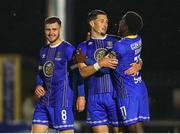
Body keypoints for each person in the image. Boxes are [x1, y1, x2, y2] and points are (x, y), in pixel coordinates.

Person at [75, 9, 142, 133]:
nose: (105, 24)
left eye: (107, 22)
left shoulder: (117, 41)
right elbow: (82, 72)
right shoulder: (82, 47)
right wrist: (81, 95)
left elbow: (134, 54)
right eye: (101, 21)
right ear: (91, 23)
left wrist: (139, 64)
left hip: (115, 96)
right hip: (94, 99)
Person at [31, 16, 75, 133]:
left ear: (60, 29)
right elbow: (41, 73)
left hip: (62, 100)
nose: (51, 33)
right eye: (48, 30)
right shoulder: (43, 51)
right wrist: (38, 84)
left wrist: (81, 96)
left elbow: (79, 73)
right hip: (44, 101)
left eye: (54, 29)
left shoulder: (68, 49)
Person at [112, 11, 150, 132]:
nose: (119, 22)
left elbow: (104, 64)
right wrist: (139, 64)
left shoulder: (119, 46)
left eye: (122, 20)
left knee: (132, 128)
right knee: (137, 126)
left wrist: (87, 60)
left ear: (126, 26)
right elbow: (137, 57)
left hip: (127, 91)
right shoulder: (138, 39)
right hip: (138, 87)